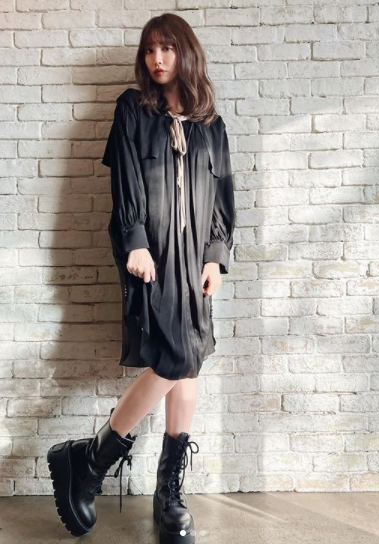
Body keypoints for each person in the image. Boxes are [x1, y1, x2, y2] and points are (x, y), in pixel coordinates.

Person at [47, 12, 236, 544]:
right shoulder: (132, 108)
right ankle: (93, 458)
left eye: (167, 48)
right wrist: (134, 241)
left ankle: (162, 491)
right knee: (176, 358)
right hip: (152, 257)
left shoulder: (211, 125)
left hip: (194, 263)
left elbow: (222, 197)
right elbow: (127, 181)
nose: (157, 59)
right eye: (150, 49)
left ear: (185, 53)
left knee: (189, 362)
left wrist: (215, 257)